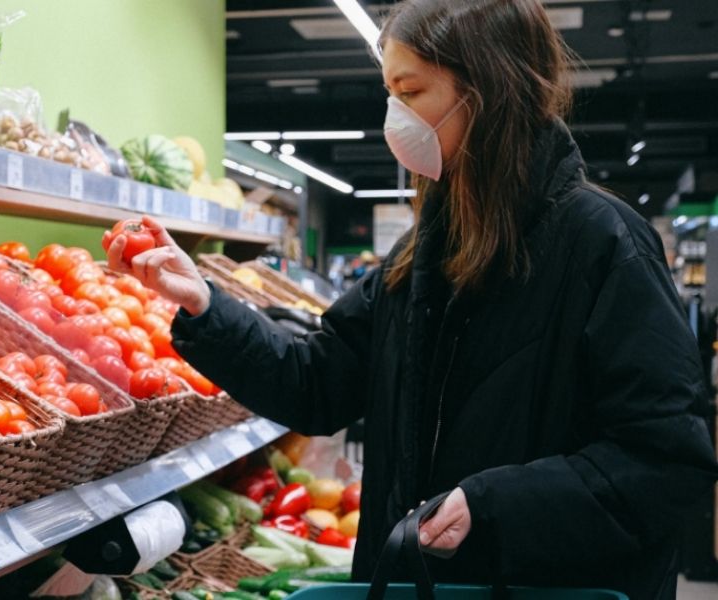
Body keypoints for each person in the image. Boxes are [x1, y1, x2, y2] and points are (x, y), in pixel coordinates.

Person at [106, 1, 718, 598]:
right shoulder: (422, 254)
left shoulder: (604, 245)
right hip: (417, 580)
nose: (393, 115)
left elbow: (666, 463)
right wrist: (204, 307)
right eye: (389, 93)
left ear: (487, 93)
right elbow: (318, 382)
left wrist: (494, 505)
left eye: (412, 91)